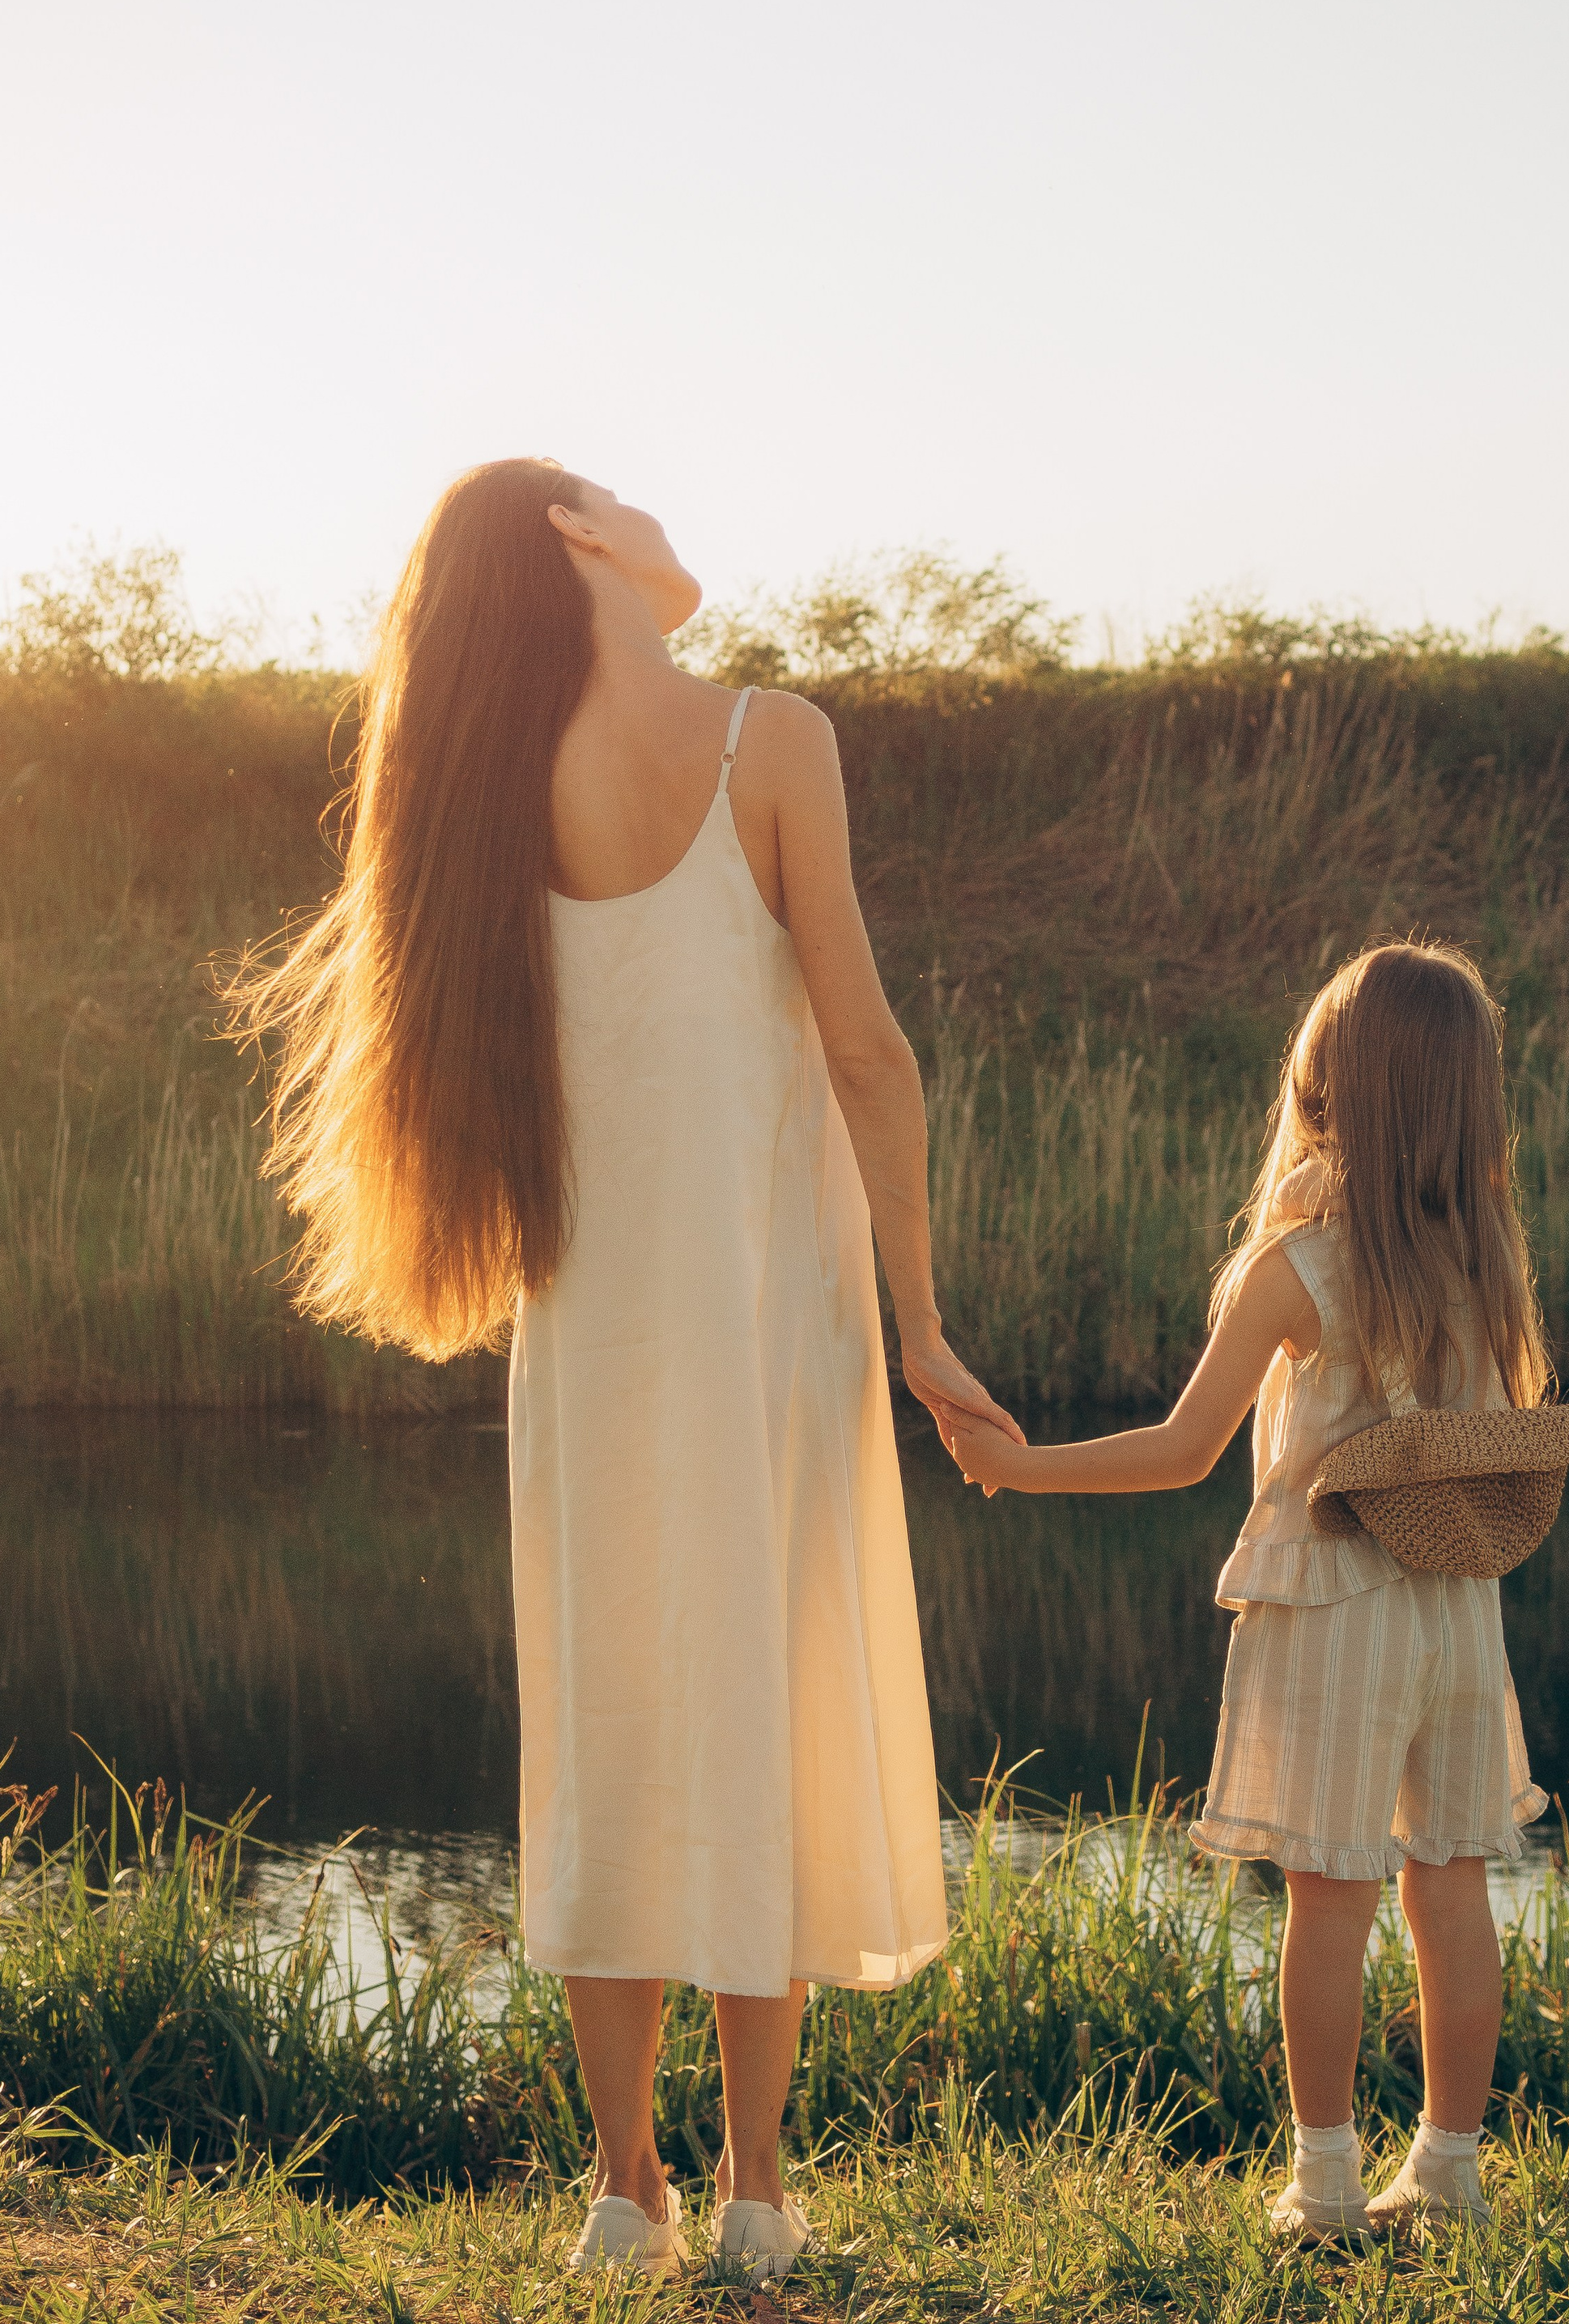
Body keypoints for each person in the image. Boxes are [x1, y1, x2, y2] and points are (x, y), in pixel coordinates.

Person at [228, 458, 1018, 2284]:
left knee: (614, 1729)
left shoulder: (474, 800)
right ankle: (751, 2191)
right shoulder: (768, 740)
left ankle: (620, 2190)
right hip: (765, 1331)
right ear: (577, 533)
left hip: (589, 1343)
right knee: (760, 1713)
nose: (664, 523)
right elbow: (868, 1052)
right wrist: (919, 1318)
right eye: (626, 498)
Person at [946, 941, 1549, 2239]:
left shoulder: (1302, 1265)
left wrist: (1018, 1464)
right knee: (1450, 1884)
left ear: (1329, 1090)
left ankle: (1323, 2176)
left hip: (1335, 1605)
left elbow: (1181, 1449)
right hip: (1455, 1607)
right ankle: (1450, 2164)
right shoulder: (1484, 1255)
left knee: (1329, 1896)